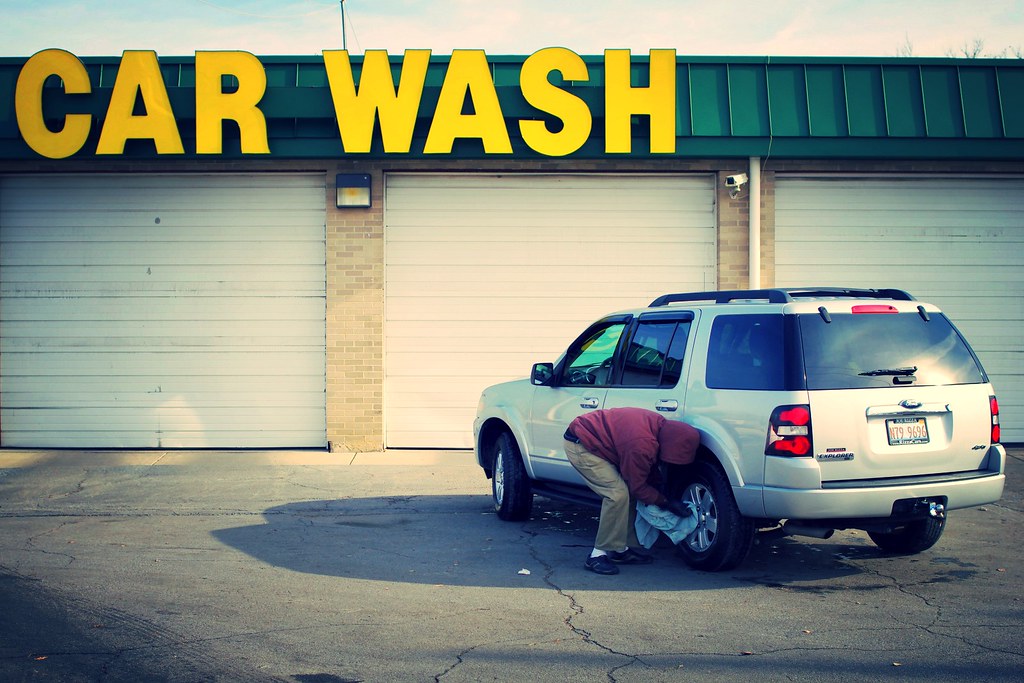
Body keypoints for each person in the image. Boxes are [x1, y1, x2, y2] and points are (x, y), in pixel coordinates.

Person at [564, 407, 699, 575]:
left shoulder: (661, 428)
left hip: (600, 441)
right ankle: (597, 555)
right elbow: (638, 486)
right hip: (582, 444)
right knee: (617, 494)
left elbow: (646, 471)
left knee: (629, 494)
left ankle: (619, 549)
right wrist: (666, 502)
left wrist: (658, 491)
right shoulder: (641, 444)